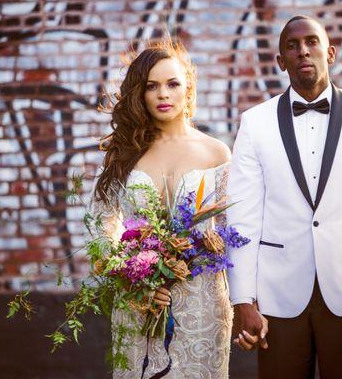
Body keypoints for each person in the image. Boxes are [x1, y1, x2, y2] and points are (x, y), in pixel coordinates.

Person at [226, 15, 342, 378]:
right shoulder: (254, 122)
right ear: (280, 61)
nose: (302, 50)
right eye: (291, 46)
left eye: (311, 42)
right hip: (278, 295)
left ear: (331, 52)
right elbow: (243, 216)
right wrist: (242, 300)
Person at [90, 39, 234, 378]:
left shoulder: (217, 153)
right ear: (139, 94)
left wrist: (249, 304)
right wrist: (135, 276)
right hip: (138, 303)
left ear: (188, 89)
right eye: (151, 86)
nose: (163, 94)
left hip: (202, 303)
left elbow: (233, 231)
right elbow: (102, 230)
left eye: (172, 84)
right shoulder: (123, 154)